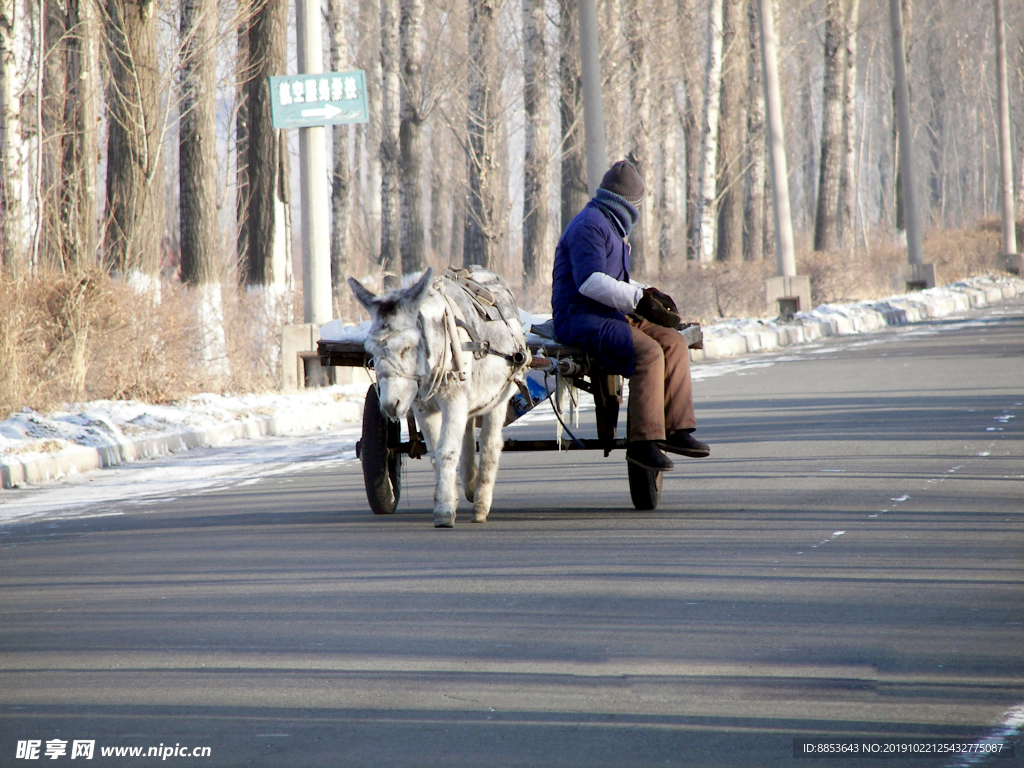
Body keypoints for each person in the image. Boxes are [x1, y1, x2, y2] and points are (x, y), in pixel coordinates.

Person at [551, 160, 710, 472]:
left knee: (673, 341)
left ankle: (677, 430)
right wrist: (639, 298)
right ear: (631, 203)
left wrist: (647, 292)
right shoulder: (590, 226)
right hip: (580, 317)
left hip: (607, 313)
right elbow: (591, 281)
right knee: (649, 353)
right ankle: (643, 443)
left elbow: (614, 282)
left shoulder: (609, 224)